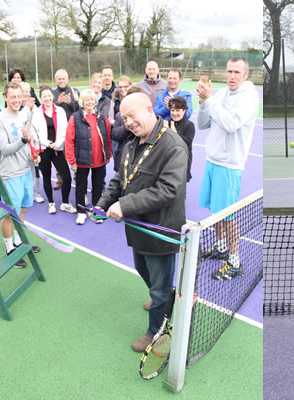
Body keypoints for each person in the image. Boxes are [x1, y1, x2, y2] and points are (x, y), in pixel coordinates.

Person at [96, 92, 188, 352]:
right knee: (143, 269)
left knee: (157, 288)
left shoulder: (173, 145)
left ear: (149, 110)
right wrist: (103, 203)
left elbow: (168, 190)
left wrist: (124, 205)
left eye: (132, 116)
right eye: (124, 118)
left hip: (161, 230)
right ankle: (166, 297)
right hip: (138, 229)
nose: (128, 122)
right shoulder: (132, 142)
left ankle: (156, 331)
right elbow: (119, 179)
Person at [195, 56, 259, 281]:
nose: (231, 76)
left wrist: (210, 101)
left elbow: (231, 124)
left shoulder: (249, 98)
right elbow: (203, 124)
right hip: (213, 160)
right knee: (215, 213)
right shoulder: (220, 94)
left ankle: (235, 262)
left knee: (228, 216)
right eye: (229, 71)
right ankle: (221, 246)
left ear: (246, 75)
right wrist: (203, 102)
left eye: (237, 73)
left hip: (229, 166)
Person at [0, 82, 41, 268]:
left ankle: (19, 241)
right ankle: (9, 249)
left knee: (22, 209)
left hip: (25, 171)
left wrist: (32, 156)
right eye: (12, 96)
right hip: (10, 174)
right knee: (8, 213)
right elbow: (5, 149)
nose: (16, 100)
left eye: (18, 96)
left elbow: (28, 142)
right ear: (5, 97)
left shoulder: (23, 114)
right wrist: (23, 140)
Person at [64, 88, 112, 225]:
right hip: (81, 160)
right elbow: (69, 141)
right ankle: (81, 212)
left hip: (99, 160)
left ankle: (96, 212)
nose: (90, 102)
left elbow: (107, 137)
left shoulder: (102, 118)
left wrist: (107, 154)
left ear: (95, 101)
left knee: (98, 186)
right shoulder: (75, 118)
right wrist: (72, 161)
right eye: (87, 100)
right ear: (82, 102)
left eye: (92, 99)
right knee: (81, 187)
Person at [31, 85, 77, 215]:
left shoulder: (60, 111)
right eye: (44, 96)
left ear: (53, 96)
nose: (47, 98)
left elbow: (65, 129)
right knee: (46, 176)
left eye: (49, 96)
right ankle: (51, 203)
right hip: (44, 149)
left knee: (66, 177)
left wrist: (58, 143)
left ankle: (65, 203)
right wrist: (45, 142)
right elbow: (34, 132)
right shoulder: (37, 113)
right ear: (41, 98)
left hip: (57, 149)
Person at [52, 69, 80, 190]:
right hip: (58, 131)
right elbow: (49, 111)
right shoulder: (52, 93)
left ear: (67, 79)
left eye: (64, 78)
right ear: (55, 80)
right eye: (59, 78)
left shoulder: (74, 91)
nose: (62, 80)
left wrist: (70, 103)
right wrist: (57, 103)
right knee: (60, 156)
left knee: (76, 155)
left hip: (74, 129)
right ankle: (60, 179)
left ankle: (77, 177)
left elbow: (79, 110)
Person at [19, 81, 44, 203]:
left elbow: (38, 125)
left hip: (33, 144)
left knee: (34, 169)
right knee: (22, 169)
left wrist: (37, 143)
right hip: (21, 144)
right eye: (23, 92)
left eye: (27, 92)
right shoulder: (18, 109)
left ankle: (36, 193)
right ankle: (24, 193)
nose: (25, 95)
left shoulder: (35, 108)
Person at [110, 86, 143, 172]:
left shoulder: (146, 116)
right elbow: (114, 135)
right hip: (123, 157)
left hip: (141, 158)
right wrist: (126, 127)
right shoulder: (119, 116)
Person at [167, 96, 195, 182]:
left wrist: (175, 132)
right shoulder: (166, 123)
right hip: (168, 162)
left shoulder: (189, 125)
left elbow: (187, 142)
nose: (175, 113)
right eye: (173, 110)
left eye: (178, 110)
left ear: (184, 111)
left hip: (182, 162)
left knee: (180, 191)